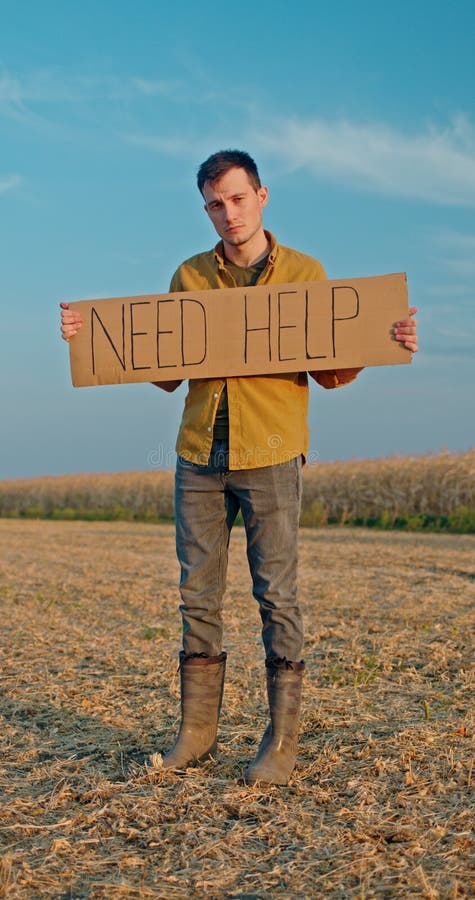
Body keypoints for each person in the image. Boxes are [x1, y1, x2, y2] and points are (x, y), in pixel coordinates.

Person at [61, 149, 418, 785]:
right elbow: (167, 373)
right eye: (215, 204)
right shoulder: (189, 275)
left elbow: (330, 371)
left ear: (262, 196)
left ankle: (281, 742)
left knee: (276, 594)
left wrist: (380, 343)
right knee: (196, 596)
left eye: (237, 198)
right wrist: (92, 337)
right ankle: (196, 735)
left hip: (272, 452)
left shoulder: (307, 274)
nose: (228, 213)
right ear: (206, 208)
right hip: (199, 454)